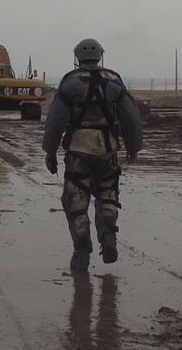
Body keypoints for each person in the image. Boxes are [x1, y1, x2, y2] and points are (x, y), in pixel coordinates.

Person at [42, 38, 143, 271]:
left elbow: (56, 121)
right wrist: (133, 147)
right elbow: (131, 116)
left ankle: (81, 252)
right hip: (107, 150)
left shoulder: (69, 82)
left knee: (76, 200)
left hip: (78, 150)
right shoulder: (114, 80)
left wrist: (50, 151)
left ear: (77, 57)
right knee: (107, 194)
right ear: (100, 56)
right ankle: (108, 234)